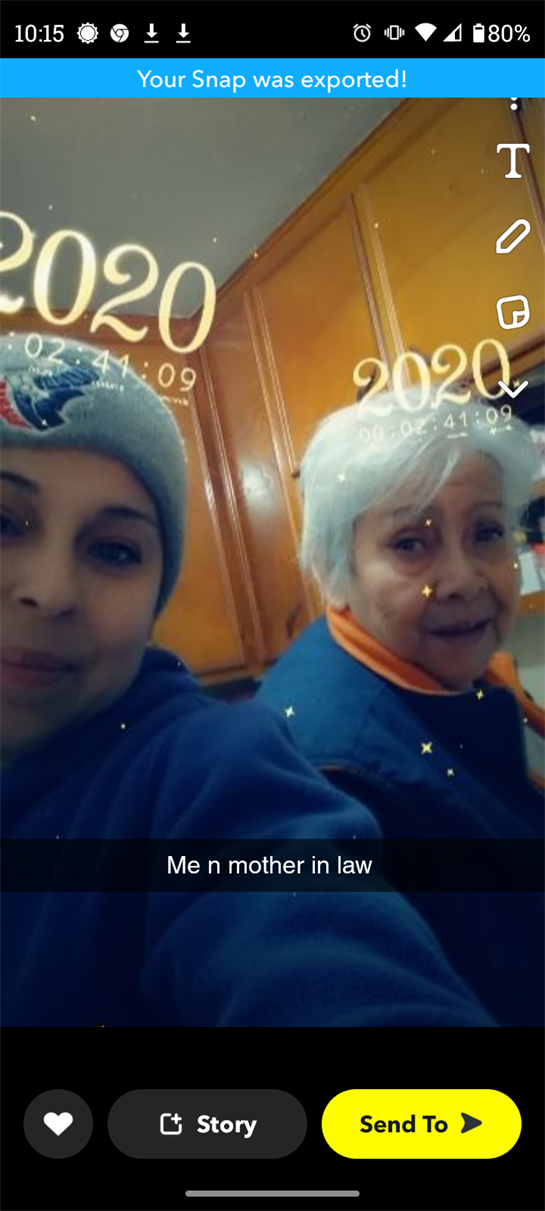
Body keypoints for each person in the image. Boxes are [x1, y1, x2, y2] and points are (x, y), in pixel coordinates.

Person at [0, 334, 500, 1027]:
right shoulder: (335, 751)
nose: (50, 591)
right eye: (1, 522)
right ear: (334, 568)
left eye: (114, 549)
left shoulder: (210, 770)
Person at [258, 390, 545, 1026]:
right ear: (337, 570)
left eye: (487, 532)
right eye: (412, 543)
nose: (465, 578)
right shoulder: (331, 779)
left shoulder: (436, 672)